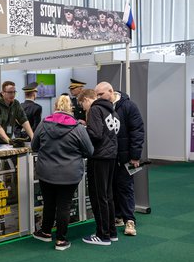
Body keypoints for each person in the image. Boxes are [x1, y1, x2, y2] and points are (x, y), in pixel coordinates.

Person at [31, 95, 93, 250]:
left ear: (55, 107)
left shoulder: (44, 123)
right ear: (70, 108)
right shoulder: (78, 127)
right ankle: (61, 240)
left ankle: (45, 232)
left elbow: (34, 146)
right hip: (70, 173)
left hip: (46, 171)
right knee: (64, 205)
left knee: (49, 203)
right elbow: (89, 150)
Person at [78, 87, 119, 246]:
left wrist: (83, 132)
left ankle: (103, 235)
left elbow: (95, 134)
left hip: (99, 157)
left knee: (98, 196)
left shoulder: (95, 110)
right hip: (111, 157)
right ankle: (111, 231)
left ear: (88, 100)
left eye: (82, 104)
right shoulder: (112, 111)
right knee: (108, 195)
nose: (83, 108)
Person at [103, 83, 145, 236]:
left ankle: (130, 220)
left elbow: (137, 131)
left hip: (125, 156)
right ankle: (118, 216)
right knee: (113, 187)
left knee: (126, 187)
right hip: (109, 156)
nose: (98, 98)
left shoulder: (129, 106)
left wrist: (135, 156)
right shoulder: (104, 107)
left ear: (111, 91)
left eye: (101, 94)